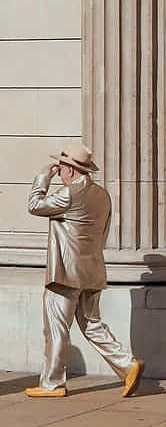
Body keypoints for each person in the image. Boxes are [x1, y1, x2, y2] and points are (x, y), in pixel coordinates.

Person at [25, 141, 144, 399]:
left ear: (70, 169)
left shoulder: (69, 195)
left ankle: (52, 383)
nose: (60, 171)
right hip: (92, 271)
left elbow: (35, 205)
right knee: (92, 324)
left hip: (66, 274)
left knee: (57, 328)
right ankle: (127, 364)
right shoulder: (102, 195)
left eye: (62, 167)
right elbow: (102, 233)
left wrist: (42, 179)